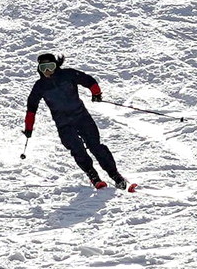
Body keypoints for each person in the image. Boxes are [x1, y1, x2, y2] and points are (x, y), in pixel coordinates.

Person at [23, 53, 130, 190]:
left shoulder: (68, 75)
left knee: (95, 146)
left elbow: (89, 80)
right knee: (77, 149)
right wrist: (29, 128)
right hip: (63, 124)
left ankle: (114, 175)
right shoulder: (40, 86)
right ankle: (93, 176)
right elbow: (31, 107)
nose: (47, 71)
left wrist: (96, 93)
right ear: (39, 69)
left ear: (56, 66)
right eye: (43, 68)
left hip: (82, 117)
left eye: (50, 66)